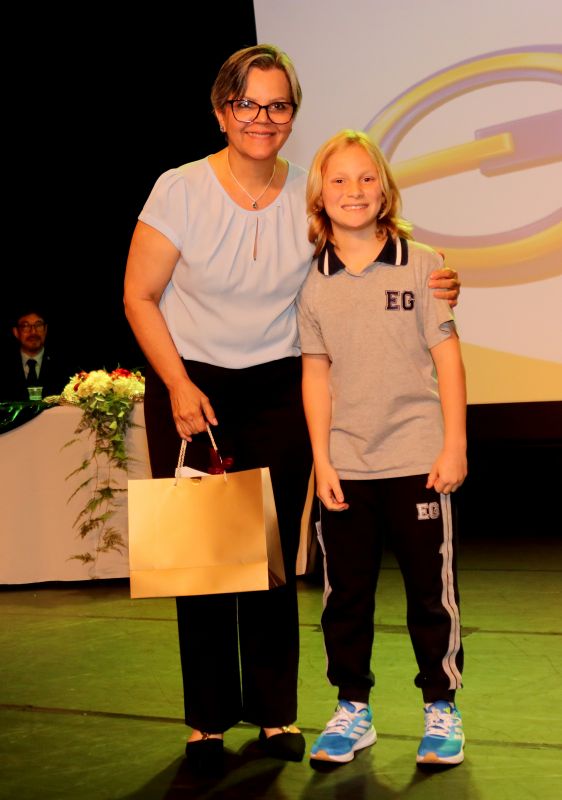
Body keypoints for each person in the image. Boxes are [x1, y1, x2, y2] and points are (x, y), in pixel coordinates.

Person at [123, 45, 461, 775]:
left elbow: (372, 249)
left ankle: (276, 713)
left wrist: (440, 278)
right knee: (204, 564)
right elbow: (138, 296)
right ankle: (207, 721)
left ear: (292, 114)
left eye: (278, 105)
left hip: (280, 388)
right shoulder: (179, 188)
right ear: (222, 111)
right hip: (192, 388)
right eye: (247, 103)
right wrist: (177, 383)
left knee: (271, 563)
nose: (262, 118)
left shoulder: (309, 193)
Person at [297, 129, 467, 767]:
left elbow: (447, 358)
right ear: (320, 194)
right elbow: (316, 374)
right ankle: (353, 709)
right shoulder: (311, 281)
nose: (354, 190)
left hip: (419, 461)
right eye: (339, 180)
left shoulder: (423, 264)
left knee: (430, 594)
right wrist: (322, 460)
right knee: (345, 597)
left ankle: (441, 708)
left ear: (385, 189)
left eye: (366, 178)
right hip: (347, 466)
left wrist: (455, 444)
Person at [0, 306, 74, 401]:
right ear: (16, 332)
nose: (33, 332)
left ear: (45, 329)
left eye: (38, 325)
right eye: (26, 326)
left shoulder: (64, 365)